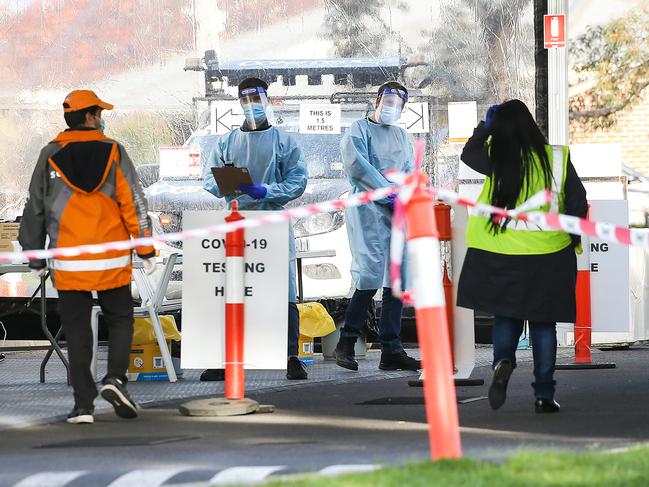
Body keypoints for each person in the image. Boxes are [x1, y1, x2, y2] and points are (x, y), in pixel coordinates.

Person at [18, 90, 156, 424]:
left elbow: (34, 207)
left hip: (69, 263)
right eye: (100, 112)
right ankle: (115, 379)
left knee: (78, 331)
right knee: (121, 318)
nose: (102, 118)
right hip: (111, 259)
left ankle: (83, 407)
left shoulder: (49, 155)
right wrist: (146, 248)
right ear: (91, 117)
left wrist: (35, 255)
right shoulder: (114, 152)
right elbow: (133, 203)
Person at [457, 99, 588, 413]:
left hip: (499, 252)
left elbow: (468, 153)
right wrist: (572, 238)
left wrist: (484, 128)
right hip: (549, 252)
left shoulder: (498, 158)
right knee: (544, 325)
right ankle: (544, 395)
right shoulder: (556, 158)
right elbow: (577, 201)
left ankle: (503, 361)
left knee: (506, 316)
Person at [202, 77, 308, 380]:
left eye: (257, 98)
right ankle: (226, 358)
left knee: (284, 292)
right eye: (246, 99)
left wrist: (267, 191)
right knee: (234, 288)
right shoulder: (226, 142)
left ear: (268, 100)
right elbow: (210, 180)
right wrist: (231, 185)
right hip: (238, 222)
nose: (252, 105)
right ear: (239, 104)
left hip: (272, 219)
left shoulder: (284, 142)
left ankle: (290, 355)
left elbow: (298, 181)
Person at [334, 81, 420, 372]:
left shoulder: (401, 135)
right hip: (368, 209)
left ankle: (391, 349)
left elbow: (408, 171)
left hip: (397, 210)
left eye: (399, 104)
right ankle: (346, 344)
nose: (392, 108)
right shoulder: (358, 130)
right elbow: (358, 167)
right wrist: (387, 193)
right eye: (388, 101)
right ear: (377, 99)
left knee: (397, 277)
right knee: (370, 274)